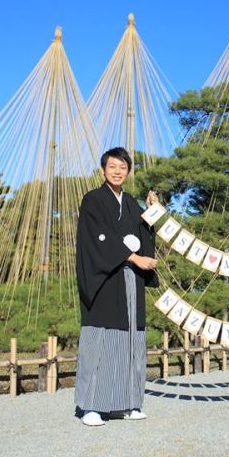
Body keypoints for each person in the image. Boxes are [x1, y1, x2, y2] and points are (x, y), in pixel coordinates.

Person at [74, 147, 158, 427]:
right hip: (104, 281)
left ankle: (128, 402)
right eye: (112, 166)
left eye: (123, 167)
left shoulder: (132, 203)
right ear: (103, 170)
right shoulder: (93, 200)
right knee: (101, 340)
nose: (118, 171)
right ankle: (92, 406)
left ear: (128, 171)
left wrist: (152, 212)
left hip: (130, 280)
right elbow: (99, 239)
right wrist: (133, 257)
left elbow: (143, 234)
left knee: (131, 340)